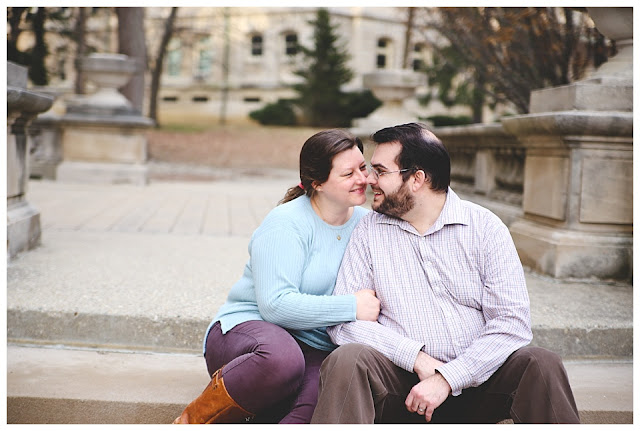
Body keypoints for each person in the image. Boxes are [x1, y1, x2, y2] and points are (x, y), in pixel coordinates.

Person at [310, 123, 580, 424]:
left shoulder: (485, 228)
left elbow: (512, 323)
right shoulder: (368, 232)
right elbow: (344, 325)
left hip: (480, 384)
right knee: (348, 359)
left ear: (417, 179)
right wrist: (416, 358)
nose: (369, 179)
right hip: (402, 386)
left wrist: (448, 378)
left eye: (380, 171)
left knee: (542, 363)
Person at [173, 129, 380, 424]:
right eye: (348, 174)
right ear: (317, 183)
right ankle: (190, 422)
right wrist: (352, 307)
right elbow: (275, 306)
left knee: (318, 401)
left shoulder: (366, 223)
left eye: (363, 167)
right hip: (249, 335)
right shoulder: (286, 224)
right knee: (281, 360)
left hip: (313, 347)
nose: (363, 179)